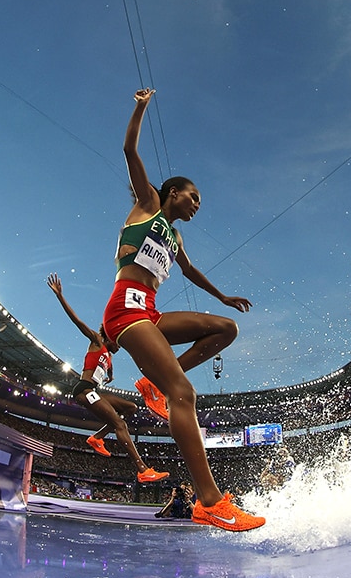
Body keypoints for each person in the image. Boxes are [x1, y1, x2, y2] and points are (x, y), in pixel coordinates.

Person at [101, 88, 264, 531]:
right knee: (185, 396)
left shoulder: (175, 239)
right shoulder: (148, 205)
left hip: (149, 312)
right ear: (171, 193)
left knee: (224, 329)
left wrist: (223, 298)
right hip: (124, 311)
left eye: (199, 203)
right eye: (192, 197)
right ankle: (209, 501)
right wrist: (138, 107)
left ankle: (154, 387)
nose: (196, 205)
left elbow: (190, 271)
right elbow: (129, 149)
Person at [47, 273, 168, 484]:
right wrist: (60, 296)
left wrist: (111, 375)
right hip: (84, 390)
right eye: (118, 343)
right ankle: (142, 469)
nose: (119, 346)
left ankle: (98, 437)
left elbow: (107, 370)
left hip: (95, 391)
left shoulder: (109, 358)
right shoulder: (96, 340)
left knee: (130, 408)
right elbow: (77, 321)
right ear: (109, 335)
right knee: (120, 424)